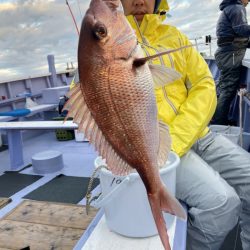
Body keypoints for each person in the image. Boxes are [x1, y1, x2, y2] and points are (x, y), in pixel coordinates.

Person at [120, 0, 250, 249]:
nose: (139, 1)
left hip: (196, 135)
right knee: (222, 204)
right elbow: (87, 94)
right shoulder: (104, 44)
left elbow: (203, 82)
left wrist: (178, 137)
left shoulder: (175, 37)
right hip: (153, 147)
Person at [212, 0, 250, 125]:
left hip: (226, 53)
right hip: (231, 54)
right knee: (227, 90)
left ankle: (216, 117)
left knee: (223, 88)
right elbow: (242, 30)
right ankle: (219, 122)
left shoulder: (229, 8)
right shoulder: (236, 7)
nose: (249, 1)